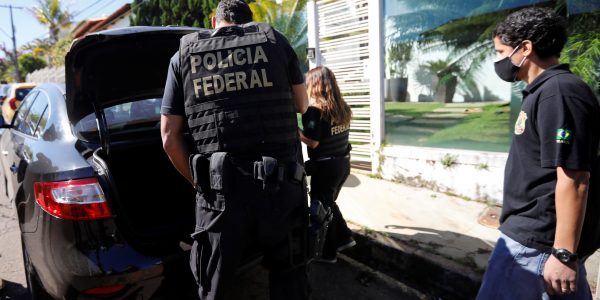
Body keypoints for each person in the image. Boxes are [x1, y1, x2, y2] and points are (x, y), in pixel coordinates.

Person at [160, 1, 310, 299]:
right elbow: (302, 105)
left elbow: (168, 136)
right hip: (281, 188)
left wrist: (199, 182)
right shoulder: (275, 41)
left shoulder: (183, 56)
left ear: (214, 20)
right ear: (249, 21)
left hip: (220, 193)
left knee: (214, 287)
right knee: (290, 281)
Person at [476, 7, 600, 299]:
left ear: (526, 48)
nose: (499, 60)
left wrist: (564, 254)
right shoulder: (545, 91)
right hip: (535, 241)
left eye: (501, 51)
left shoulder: (560, 93)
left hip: (536, 246)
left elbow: (575, 178)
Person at [299, 66, 355, 263]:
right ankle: (345, 238)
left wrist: (294, 130)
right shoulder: (342, 107)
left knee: (321, 211)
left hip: (326, 169)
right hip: (343, 165)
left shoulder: (315, 111)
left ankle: (329, 253)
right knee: (328, 204)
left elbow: (312, 141)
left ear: (314, 84)